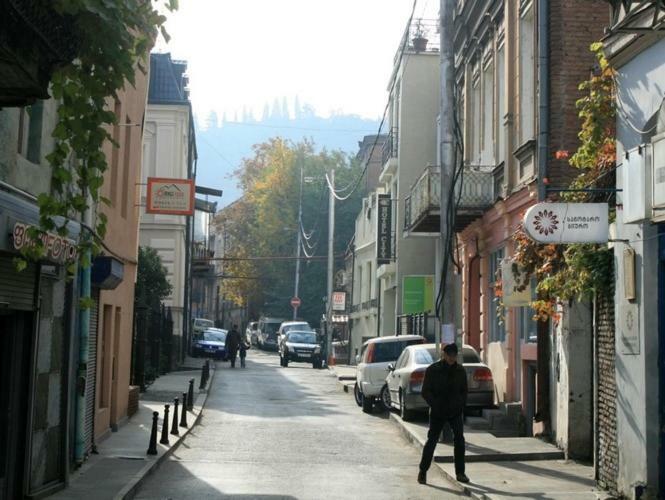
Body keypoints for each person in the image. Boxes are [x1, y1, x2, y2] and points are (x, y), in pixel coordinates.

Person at [418, 343, 469, 485]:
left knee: (459, 440)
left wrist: (460, 405)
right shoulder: (433, 370)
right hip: (438, 412)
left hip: (455, 411)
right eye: (449, 355)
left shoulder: (460, 371)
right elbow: (425, 391)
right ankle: (423, 471)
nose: (452, 358)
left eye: (454, 355)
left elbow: (464, 391)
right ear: (444, 355)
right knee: (432, 441)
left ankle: (460, 472)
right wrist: (435, 405)